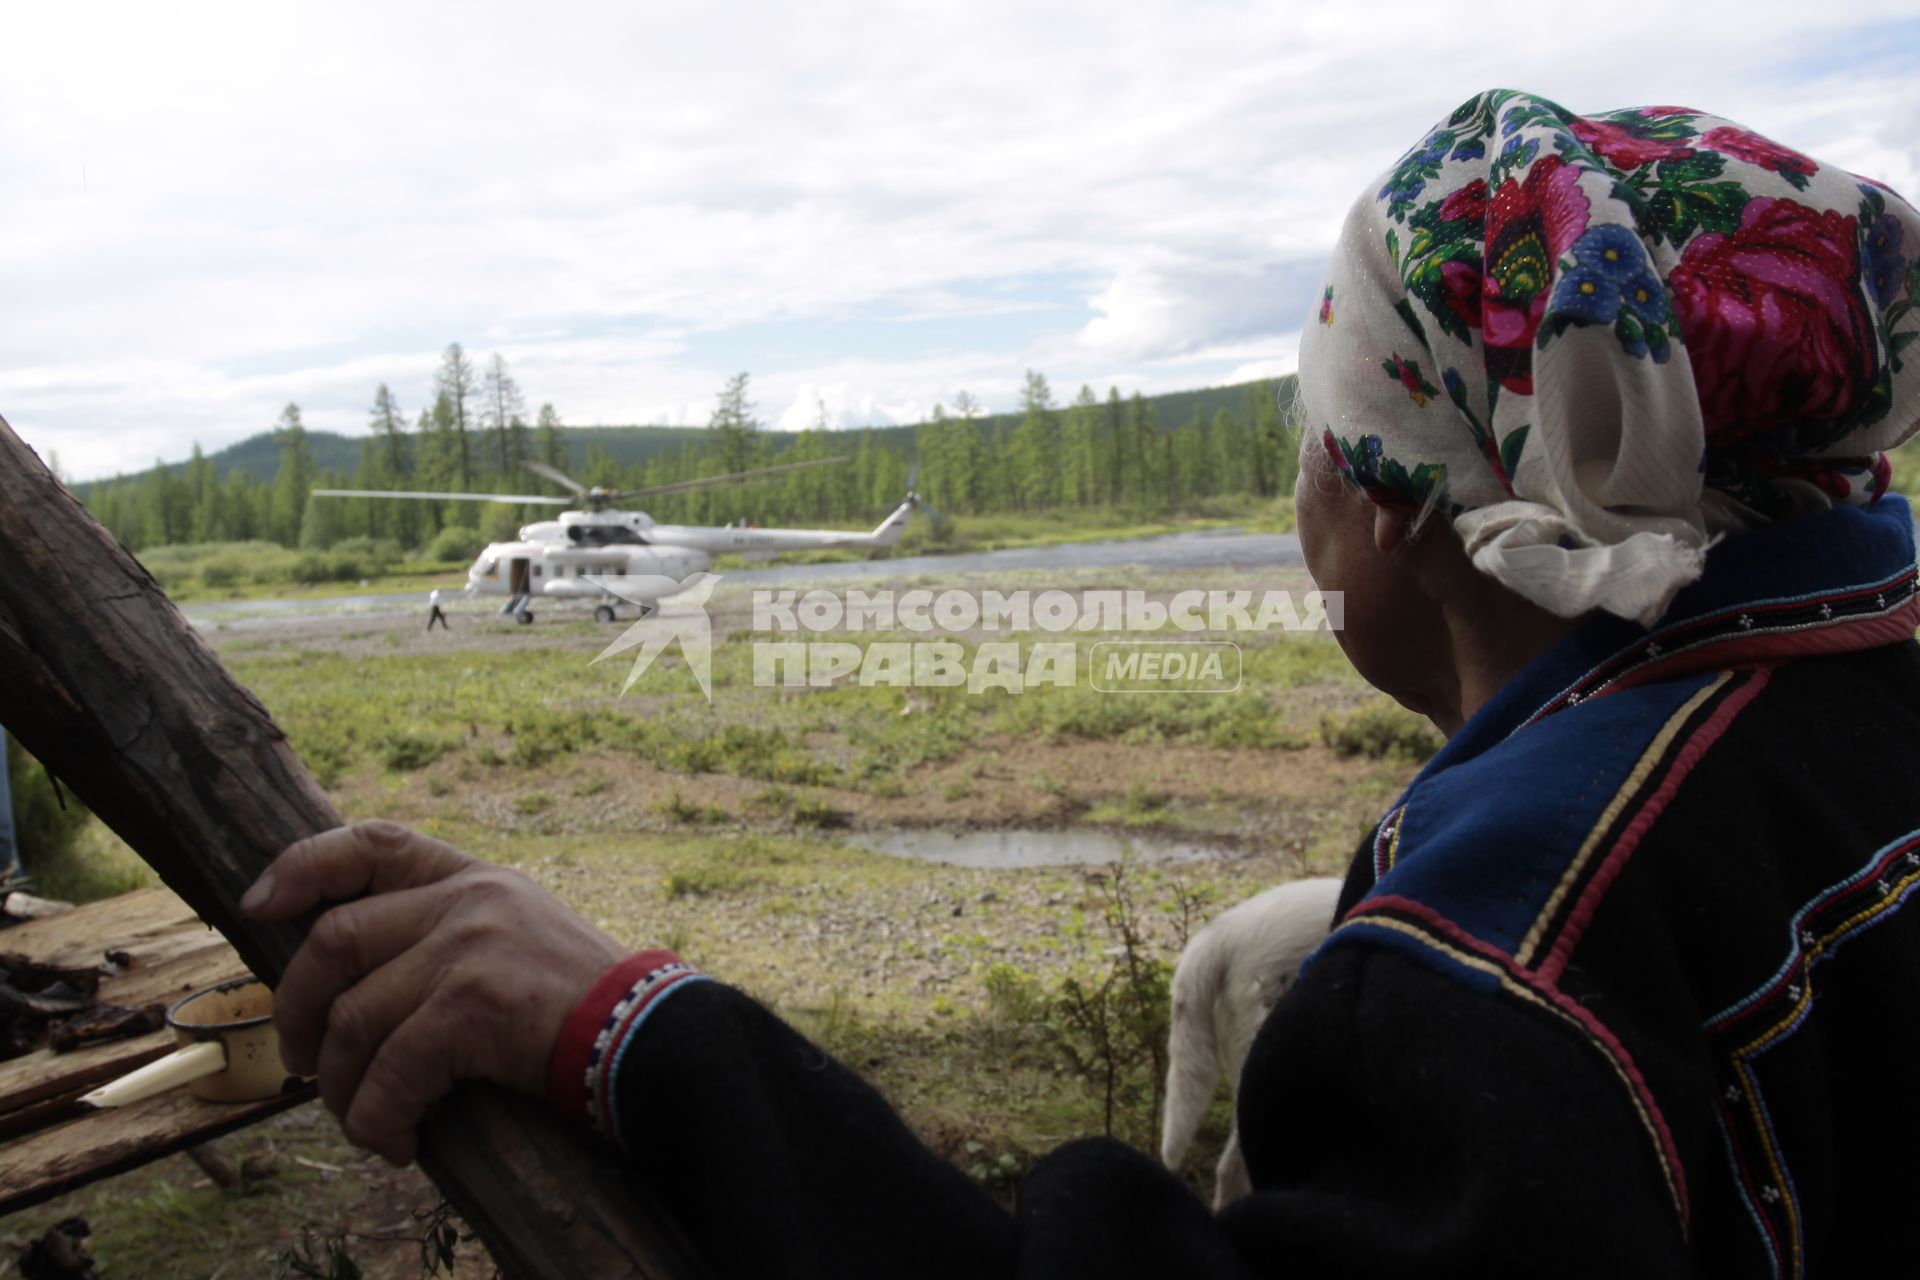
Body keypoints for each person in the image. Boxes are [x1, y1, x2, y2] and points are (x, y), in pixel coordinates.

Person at [242, 90, 1920, 1277]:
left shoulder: (1509, 947)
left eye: (1313, 447)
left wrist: (643, 1038)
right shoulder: (1830, 723)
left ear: (1408, 497)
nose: (1300, 507)